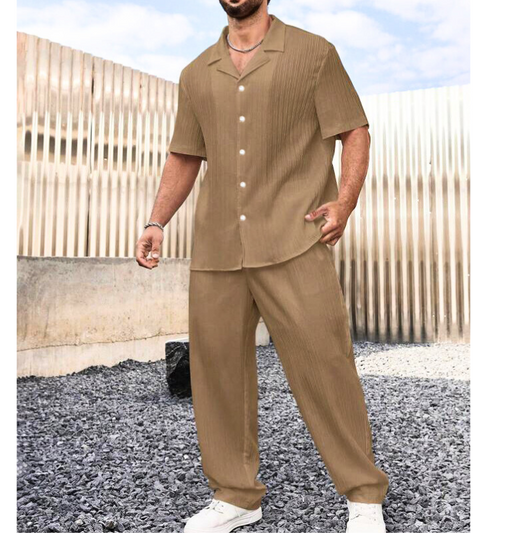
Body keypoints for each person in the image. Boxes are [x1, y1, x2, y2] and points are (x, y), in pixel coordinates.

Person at [135, 1, 389, 532]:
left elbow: (354, 130)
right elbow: (185, 154)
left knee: (326, 365)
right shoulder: (196, 73)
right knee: (217, 373)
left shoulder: (314, 54)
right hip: (218, 247)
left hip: (294, 236)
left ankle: (364, 495)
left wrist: (344, 201)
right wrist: (157, 220)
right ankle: (236, 496)